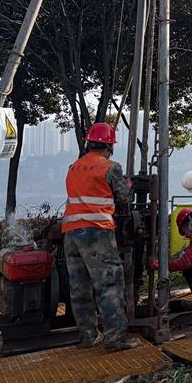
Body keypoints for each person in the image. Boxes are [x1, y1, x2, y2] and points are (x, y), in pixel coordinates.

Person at [62, 122, 138, 351]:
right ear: (109, 146)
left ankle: (88, 337)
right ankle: (115, 339)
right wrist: (128, 186)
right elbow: (124, 198)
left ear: (89, 143)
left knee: (80, 287)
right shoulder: (110, 167)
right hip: (96, 232)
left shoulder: (74, 167)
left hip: (71, 233)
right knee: (109, 284)